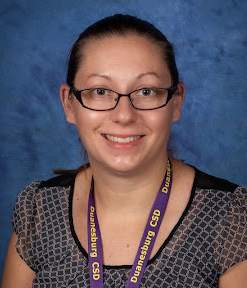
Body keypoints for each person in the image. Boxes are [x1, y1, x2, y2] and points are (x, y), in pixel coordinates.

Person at [1, 14, 247, 288]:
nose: (123, 115)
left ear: (176, 102)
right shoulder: (38, 212)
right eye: (100, 91)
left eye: (146, 91)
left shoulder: (232, 219)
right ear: (69, 104)